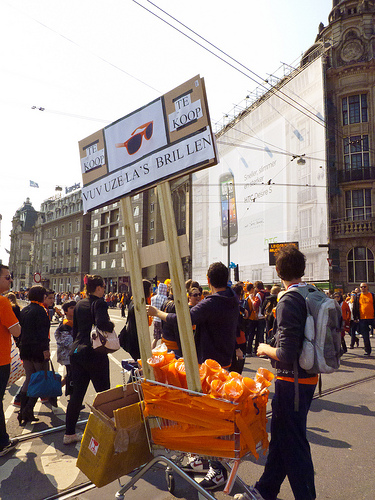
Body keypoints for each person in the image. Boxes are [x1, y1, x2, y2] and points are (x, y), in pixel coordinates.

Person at [235, 245, 317, 500]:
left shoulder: (288, 301)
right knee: (282, 437)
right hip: (307, 377)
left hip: (291, 380)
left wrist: (264, 348)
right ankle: (264, 489)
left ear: (279, 271)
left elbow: (286, 353)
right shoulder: (311, 292)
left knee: (294, 443)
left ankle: (306, 496)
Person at [147, 261, 239, 490]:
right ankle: (202, 458)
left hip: (209, 366)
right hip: (223, 361)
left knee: (207, 418)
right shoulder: (231, 298)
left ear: (208, 280)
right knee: (209, 414)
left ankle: (216, 470)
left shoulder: (213, 302)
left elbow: (183, 319)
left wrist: (157, 313)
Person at [64, 275, 113, 444]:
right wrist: (111, 325)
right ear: (98, 288)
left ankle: (69, 433)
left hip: (77, 351)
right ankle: (107, 432)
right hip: (94, 353)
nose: (104, 290)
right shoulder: (99, 303)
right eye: (103, 287)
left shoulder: (79, 304)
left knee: (77, 394)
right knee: (104, 393)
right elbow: (102, 324)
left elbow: (75, 330)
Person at [18, 285, 51, 425]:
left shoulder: (24, 310)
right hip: (38, 350)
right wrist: (45, 350)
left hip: (25, 349)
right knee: (40, 379)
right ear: (42, 296)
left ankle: (23, 411)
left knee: (29, 378)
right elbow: (42, 333)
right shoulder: (41, 311)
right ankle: (28, 409)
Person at [0, 265, 21, 456]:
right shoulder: (3, 302)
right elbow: (16, 330)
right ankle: (2, 442)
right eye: (7, 277)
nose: (10, 280)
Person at [119, 280, 153, 362]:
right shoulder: (140, 305)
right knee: (142, 365)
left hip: (132, 339)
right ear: (145, 290)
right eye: (150, 289)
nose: (151, 291)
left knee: (139, 365)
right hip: (137, 341)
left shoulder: (134, 301)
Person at [54, 300, 76, 396]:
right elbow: (68, 342)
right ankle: (71, 398)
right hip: (68, 355)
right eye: (71, 308)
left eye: (75, 307)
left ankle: (54, 391)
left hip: (72, 354)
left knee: (71, 376)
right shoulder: (66, 324)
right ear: (65, 311)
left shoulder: (74, 322)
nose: (74, 310)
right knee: (72, 376)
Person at [352, 283, 374, 356]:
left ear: (367, 287)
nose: (363, 288)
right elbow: (355, 308)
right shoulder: (358, 296)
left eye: (364, 287)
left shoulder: (372, 295)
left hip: (373, 317)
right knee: (365, 336)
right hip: (362, 319)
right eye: (361, 287)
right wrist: (355, 318)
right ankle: (367, 350)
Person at [150, 282, 168, 349]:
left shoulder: (153, 298)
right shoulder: (165, 298)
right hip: (163, 320)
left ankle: (151, 351)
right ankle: (162, 351)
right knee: (164, 338)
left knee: (155, 338)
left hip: (155, 320)